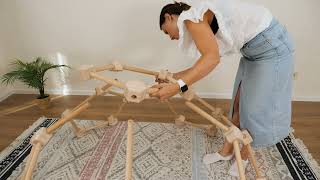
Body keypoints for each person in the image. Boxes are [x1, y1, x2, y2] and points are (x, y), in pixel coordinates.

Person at [151, 0, 295, 177]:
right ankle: (226, 152)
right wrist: (173, 78)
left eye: (166, 31)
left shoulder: (191, 18)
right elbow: (203, 63)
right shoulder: (198, 19)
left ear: (169, 16)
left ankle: (243, 157)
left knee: (254, 112)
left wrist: (177, 87)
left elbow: (211, 60)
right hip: (253, 53)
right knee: (238, 105)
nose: (171, 37)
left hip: (272, 50)